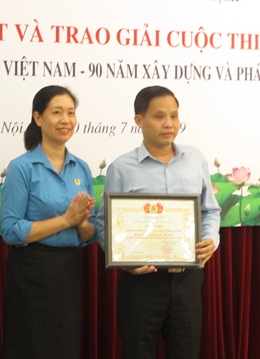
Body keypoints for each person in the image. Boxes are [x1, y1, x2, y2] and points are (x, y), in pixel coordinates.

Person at [96, 85, 221, 359]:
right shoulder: (121, 168)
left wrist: (211, 239)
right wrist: (124, 261)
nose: (169, 124)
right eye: (159, 116)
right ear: (139, 120)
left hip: (187, 280)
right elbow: (103, 223)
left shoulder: (195, 159)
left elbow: (210, 211)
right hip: (141, 284)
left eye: (174, 116)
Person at [0, 85, 96, 359]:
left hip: (69, 271)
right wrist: (66, 219)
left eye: (71, 113)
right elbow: (11, 230)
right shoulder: (22, 167)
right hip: (31, 269)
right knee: (32, 346)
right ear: (38, 118)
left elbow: (89, 233)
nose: (66, 120)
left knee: (65, 346)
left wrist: (81, 223)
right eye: (57, 112)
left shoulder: (81, 168)